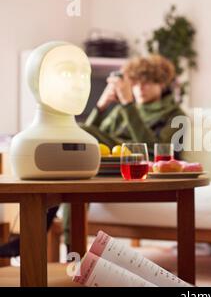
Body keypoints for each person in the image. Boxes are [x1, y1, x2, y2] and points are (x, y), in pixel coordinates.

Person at [0, 54, 186, 258]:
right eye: (136, 82)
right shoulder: (122, 109)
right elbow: (86, 137)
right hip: (104, 162)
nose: (141, 88)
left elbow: (156, 150)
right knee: (69, 171)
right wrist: (101, 106)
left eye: (148, 82)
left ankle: (40, 240)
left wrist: (127, 105)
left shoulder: (173, 114)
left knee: (76, 142)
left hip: (133, 163)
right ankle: (66, 247)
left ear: (162, 84)